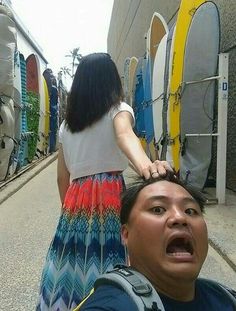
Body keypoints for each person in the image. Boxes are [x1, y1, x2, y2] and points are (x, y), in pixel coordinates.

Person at [36, 52, 172, 311]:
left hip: (75, 202)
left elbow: (61, 178)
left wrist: (70, 213)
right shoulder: (118, 110)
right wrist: (148, 167)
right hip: (108, 197)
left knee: (72, 263)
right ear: (111, 82)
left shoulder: (67, 126)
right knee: (111, 260)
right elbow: (125, 136)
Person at [77, 171, 236, 310]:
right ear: (125, 234)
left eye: (190, 210)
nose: (180, 218)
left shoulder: (226, 298)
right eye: (158, 209)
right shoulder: (111, 304)